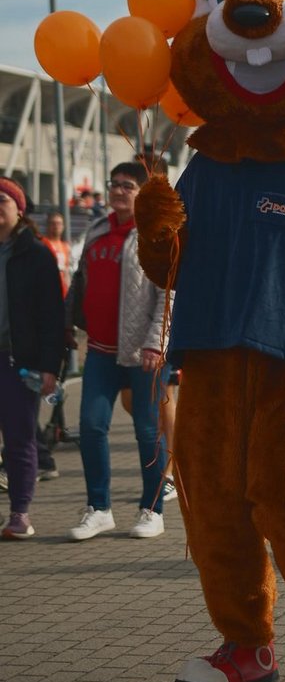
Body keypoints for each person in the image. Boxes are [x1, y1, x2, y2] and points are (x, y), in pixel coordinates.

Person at [66, 162, 170, 541]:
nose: (119, 191)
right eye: (115, 184)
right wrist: (67, 323)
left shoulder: (156, 234)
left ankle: (152, 509)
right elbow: (80, 281)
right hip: (99, 349)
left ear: (143, 193)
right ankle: (99, 508)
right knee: (91, 427)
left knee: (147, 430)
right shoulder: (97, 230)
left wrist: (155, 342)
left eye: (128, 185)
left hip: (143, 353)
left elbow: (168, 294)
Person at [0, 178, 65, 539]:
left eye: (2, 200)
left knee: (19, 436)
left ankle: (19, 514)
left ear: (19, 209)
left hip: (18, 360)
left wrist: (49, 368)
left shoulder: (36, 254)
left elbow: (52, 316)